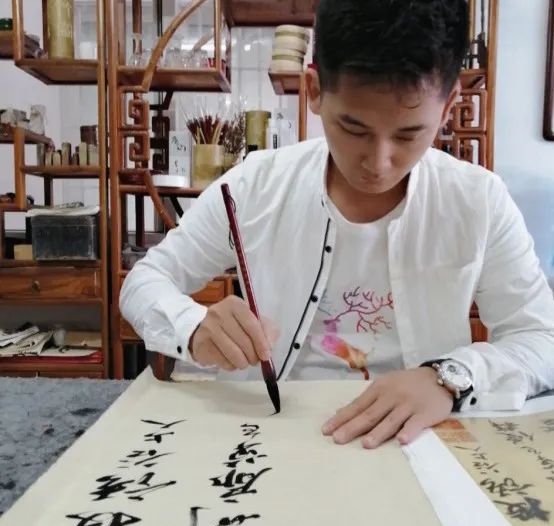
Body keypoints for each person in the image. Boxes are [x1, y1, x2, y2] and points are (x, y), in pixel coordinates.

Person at [121, 0, 554, 450]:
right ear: (314, 89)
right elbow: (144, 282)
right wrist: (192, 326)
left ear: (448, 107)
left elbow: (542, 337)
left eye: (408, 134)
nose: (378, 163)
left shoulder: (477, 200)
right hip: (266, 439)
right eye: (354, 129)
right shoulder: (254, 186)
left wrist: (447, 377)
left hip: (415, 446)